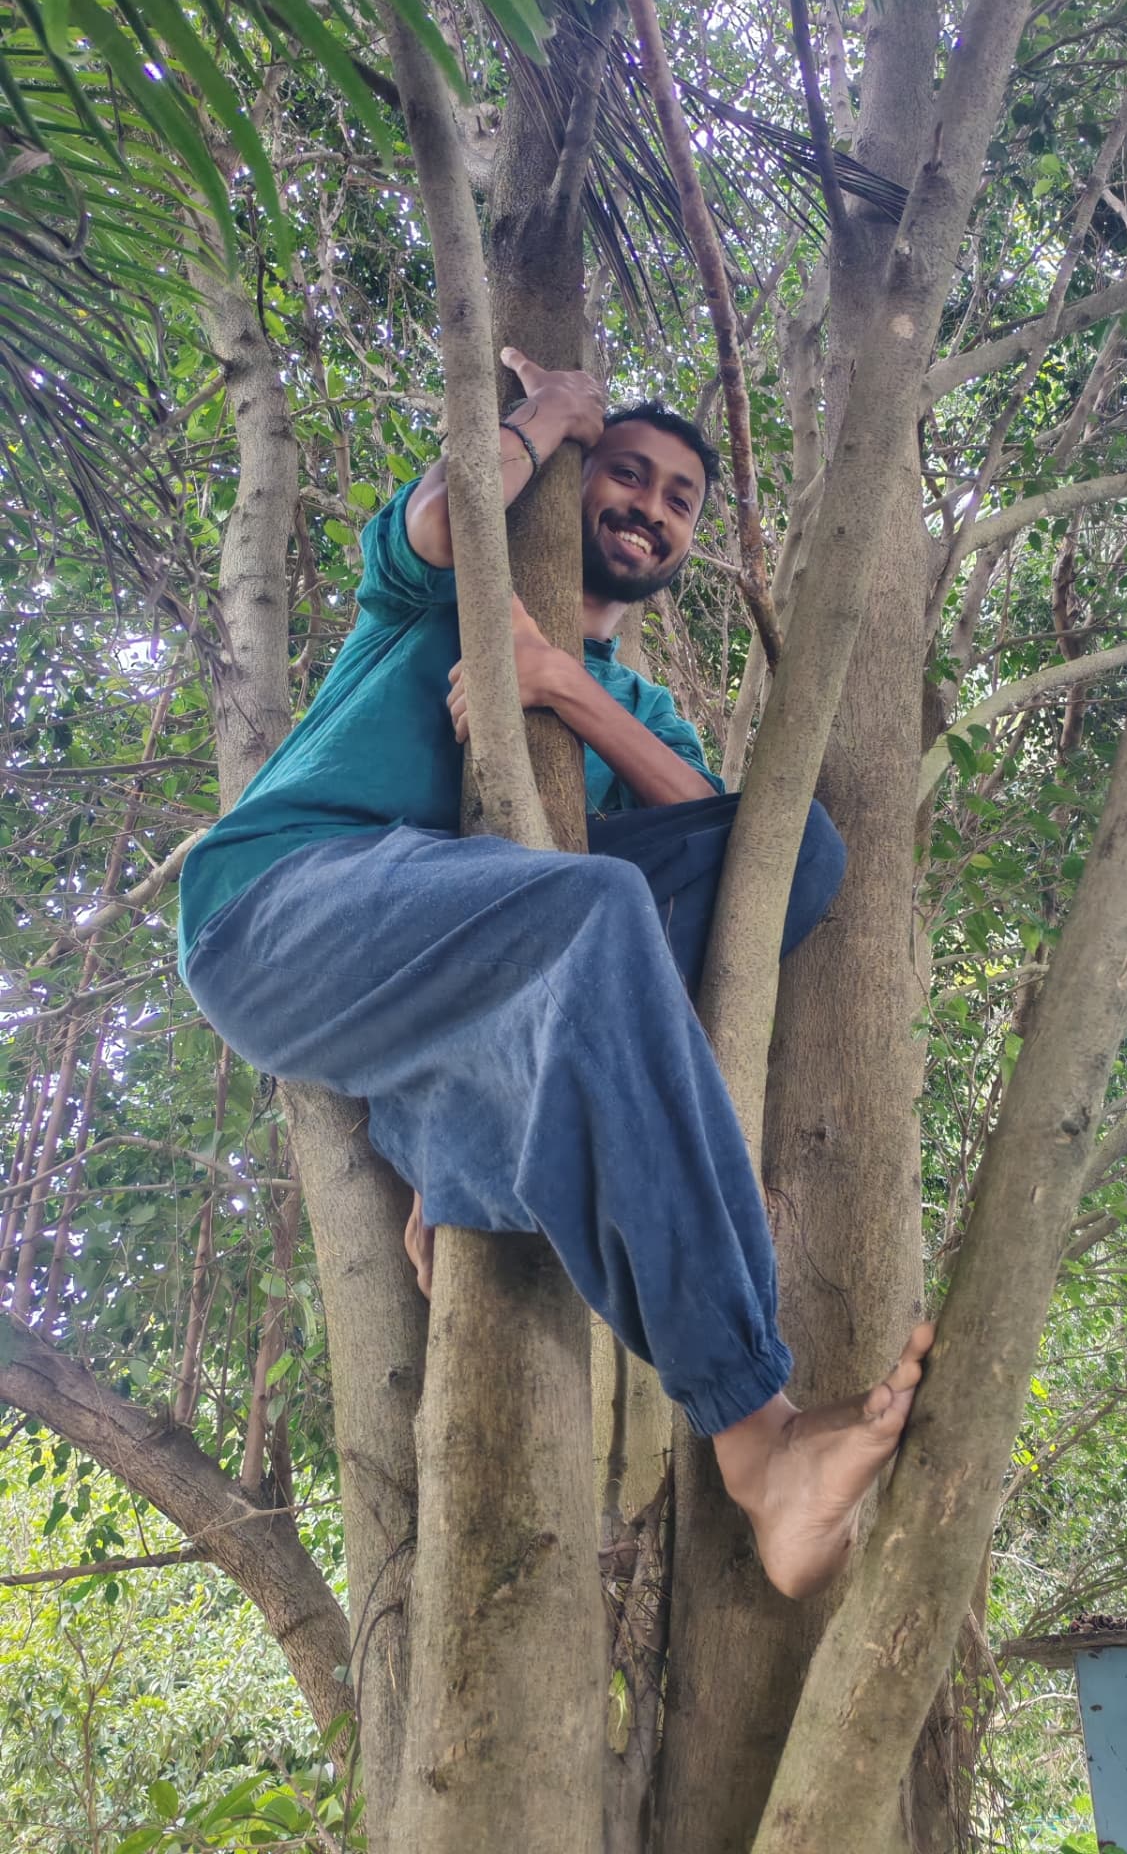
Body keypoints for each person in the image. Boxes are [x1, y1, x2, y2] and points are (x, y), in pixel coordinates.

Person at [178, 348, 932, 1600]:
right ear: (574, 486)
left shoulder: (639, 707)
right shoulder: (435, 600)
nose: (648, 504)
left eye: (680, 497)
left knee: (788, 851)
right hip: (282, 910)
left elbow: (747, 874)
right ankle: (761, 1442)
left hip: (476, 972)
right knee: (594, 904)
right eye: (624, 474)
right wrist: (550, 415)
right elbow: (438, 514)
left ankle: (463, 1142)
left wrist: (565, 691)